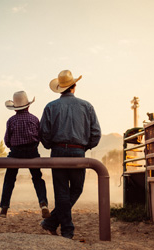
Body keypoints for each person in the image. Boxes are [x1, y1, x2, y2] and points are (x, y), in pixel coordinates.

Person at [39, 70, 101, 239]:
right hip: (78, 151)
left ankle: (55, 224)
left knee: (61, 192)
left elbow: (43, 132)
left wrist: (51, 145)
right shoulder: (86, 106)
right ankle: (65, 229)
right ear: (74, 86)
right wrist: (84, 148)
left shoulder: (50, 107)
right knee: (77, 189)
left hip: (58, 151)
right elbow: (96, 133)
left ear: (60, 89)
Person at [0, 91, 51, 219]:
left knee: (9, 179)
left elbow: (7, 141)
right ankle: (43, 203)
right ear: (28, 106)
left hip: (16, 152)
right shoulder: (34, 119)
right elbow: (39, 136)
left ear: (15, 108)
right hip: (32, 152)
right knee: (37, 178)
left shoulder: (11, 121)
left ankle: (4, 208)